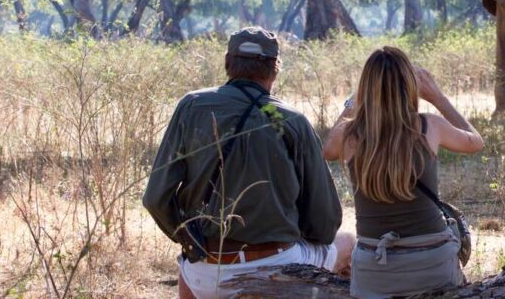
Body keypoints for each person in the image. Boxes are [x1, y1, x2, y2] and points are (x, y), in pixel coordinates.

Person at [143, 26, 354, 299]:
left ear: (227, 63)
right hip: (279, 267)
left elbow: (155, 199)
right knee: (348, 243)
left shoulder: (191, 106)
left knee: (187, 268)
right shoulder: (293, 121)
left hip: (204, 273)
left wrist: (192, 241)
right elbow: (325, 224)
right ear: (275, 69)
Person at [323, 47, 484, 299]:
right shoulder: (430, 125)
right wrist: (439, 98)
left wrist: (354, 102)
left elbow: (327, 150)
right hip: (433, 265)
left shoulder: (349, 134)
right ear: (409, 86)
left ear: (366, 88)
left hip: (375, 269)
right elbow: (476, 142)